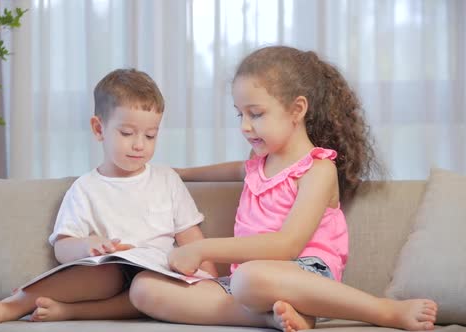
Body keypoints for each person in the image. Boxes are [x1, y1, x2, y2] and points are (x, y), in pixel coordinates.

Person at [128, 46, 438, 332]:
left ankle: (383, 311)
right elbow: (235, 169)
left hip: (303, 276)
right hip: (251, 286)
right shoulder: (258, 162)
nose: (245, 126)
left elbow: (286, 246)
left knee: (249, 279)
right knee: (143, 288)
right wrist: (178, 174)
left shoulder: (318, 170)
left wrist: (201, 248)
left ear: (297, 109)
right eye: (241, 114)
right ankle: (273, 317)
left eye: (256, 114)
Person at [0, 68, 217, 324]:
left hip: (158, 279)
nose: (139, 144)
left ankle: (70, 312)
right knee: (107, 275)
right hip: (111, 274)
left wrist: (211, 278)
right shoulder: (86, 188)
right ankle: (15, 304)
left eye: (150, 135)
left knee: (150, 288)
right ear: (99, 128)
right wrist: (86, 245)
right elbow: (62, 247)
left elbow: (192, 240)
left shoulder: (167, 180)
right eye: (126, 133)